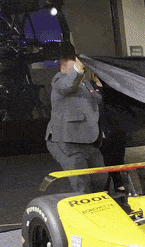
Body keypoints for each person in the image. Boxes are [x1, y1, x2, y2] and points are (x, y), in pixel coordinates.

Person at [45, 53, 107, 194]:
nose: (79, 72)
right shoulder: (59, 80)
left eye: (81, 69)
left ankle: (98, 209)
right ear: (63, 68)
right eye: (75, 68)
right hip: (67, 141)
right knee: (81, 183)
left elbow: (99, 101)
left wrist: (101, 85)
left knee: (101, 178)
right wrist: (78, 67)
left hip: (88, 140)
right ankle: (84, 212)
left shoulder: (85, 84)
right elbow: (69, 84)